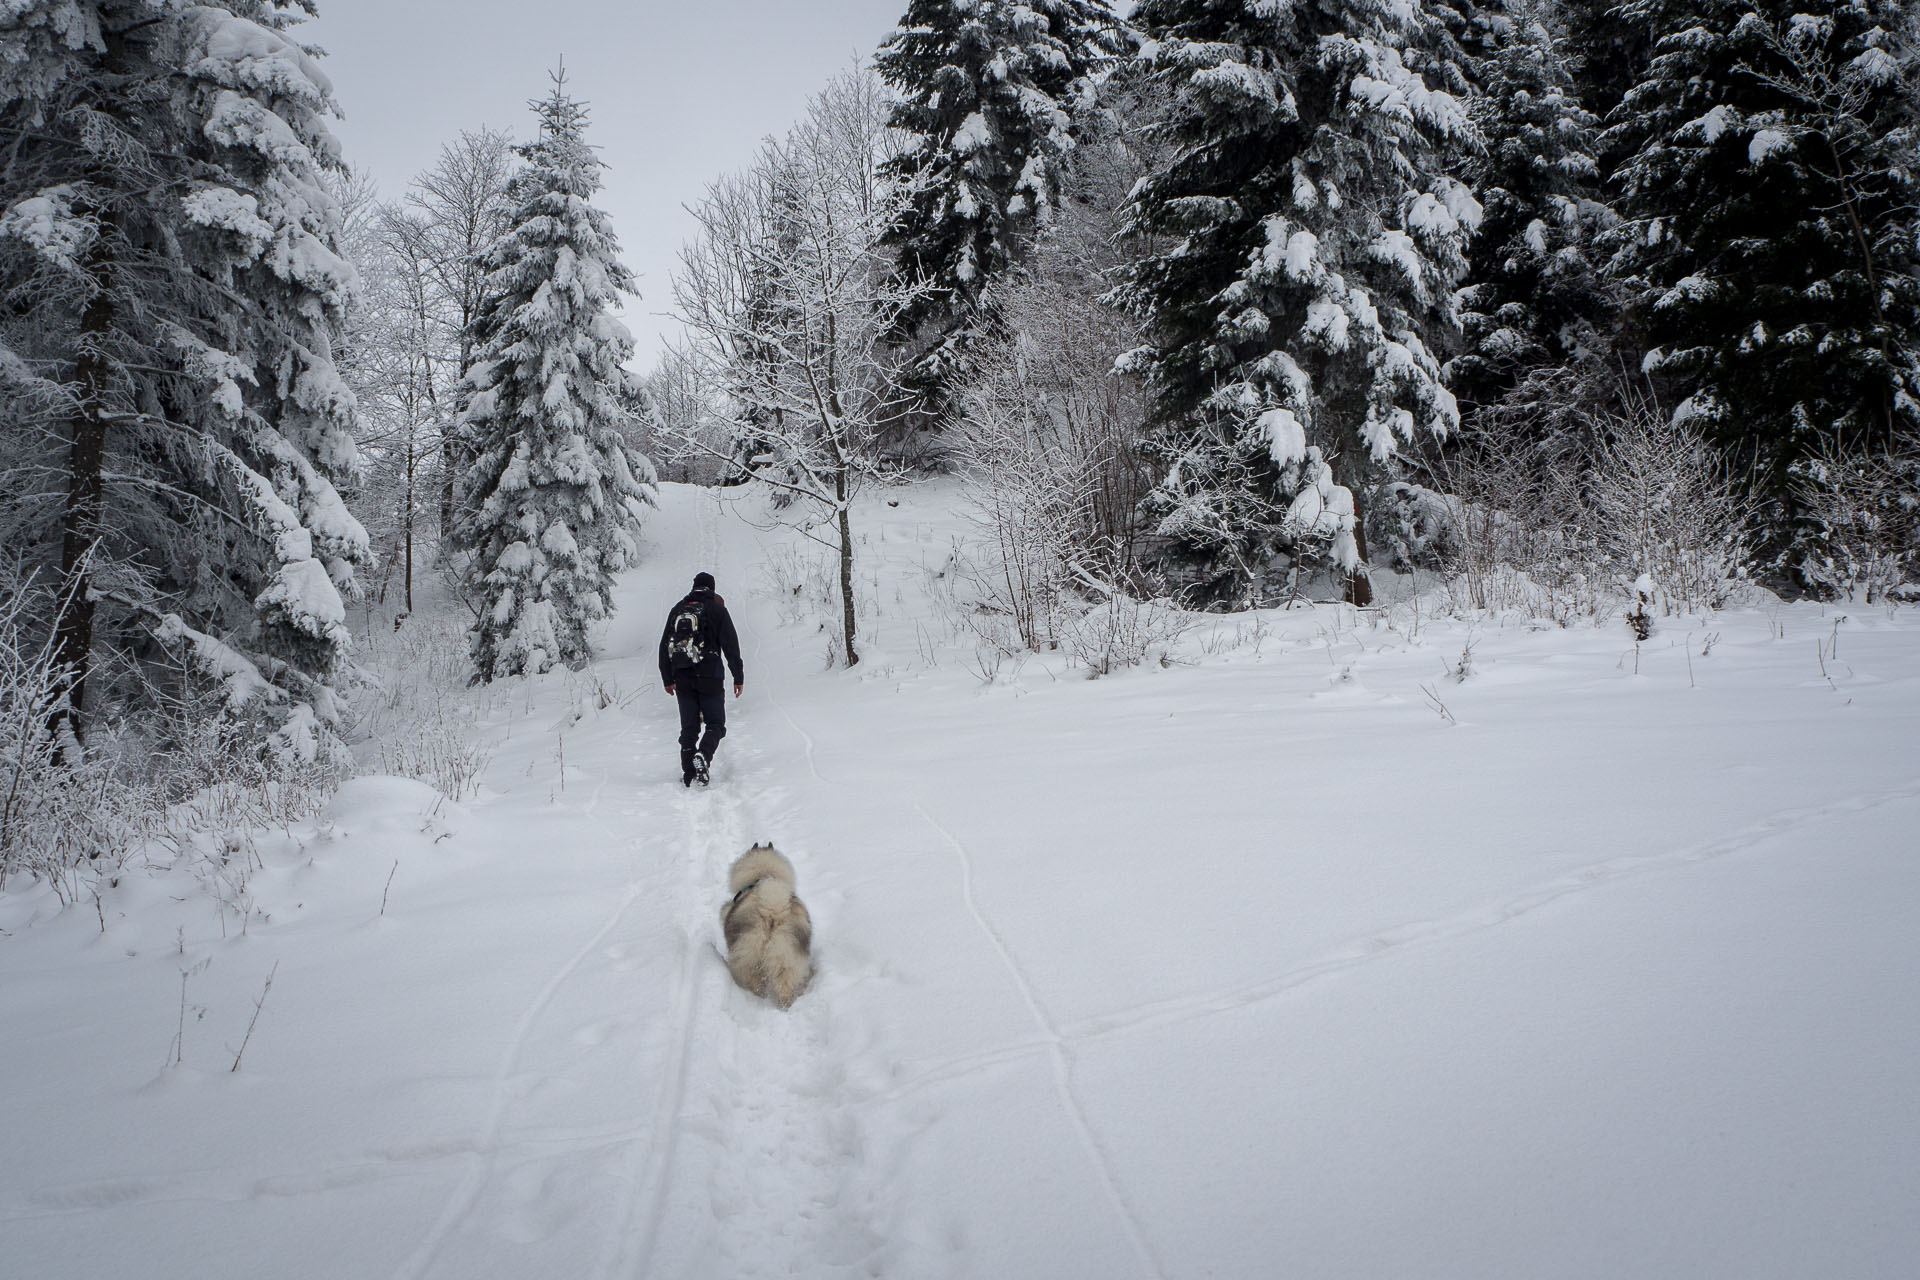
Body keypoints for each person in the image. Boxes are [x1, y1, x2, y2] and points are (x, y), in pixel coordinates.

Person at [658, 571, 743, 786]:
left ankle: (688, 773)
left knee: (689, 728)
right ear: (712, 589)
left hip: (683, 676)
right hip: (710, 676)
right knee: (715, 724)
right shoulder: (717, 609)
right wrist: (738, 676)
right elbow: (730, 645)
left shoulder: (678, 610)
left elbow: (663, 646)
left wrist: (667, 678)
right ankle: (703, 756)